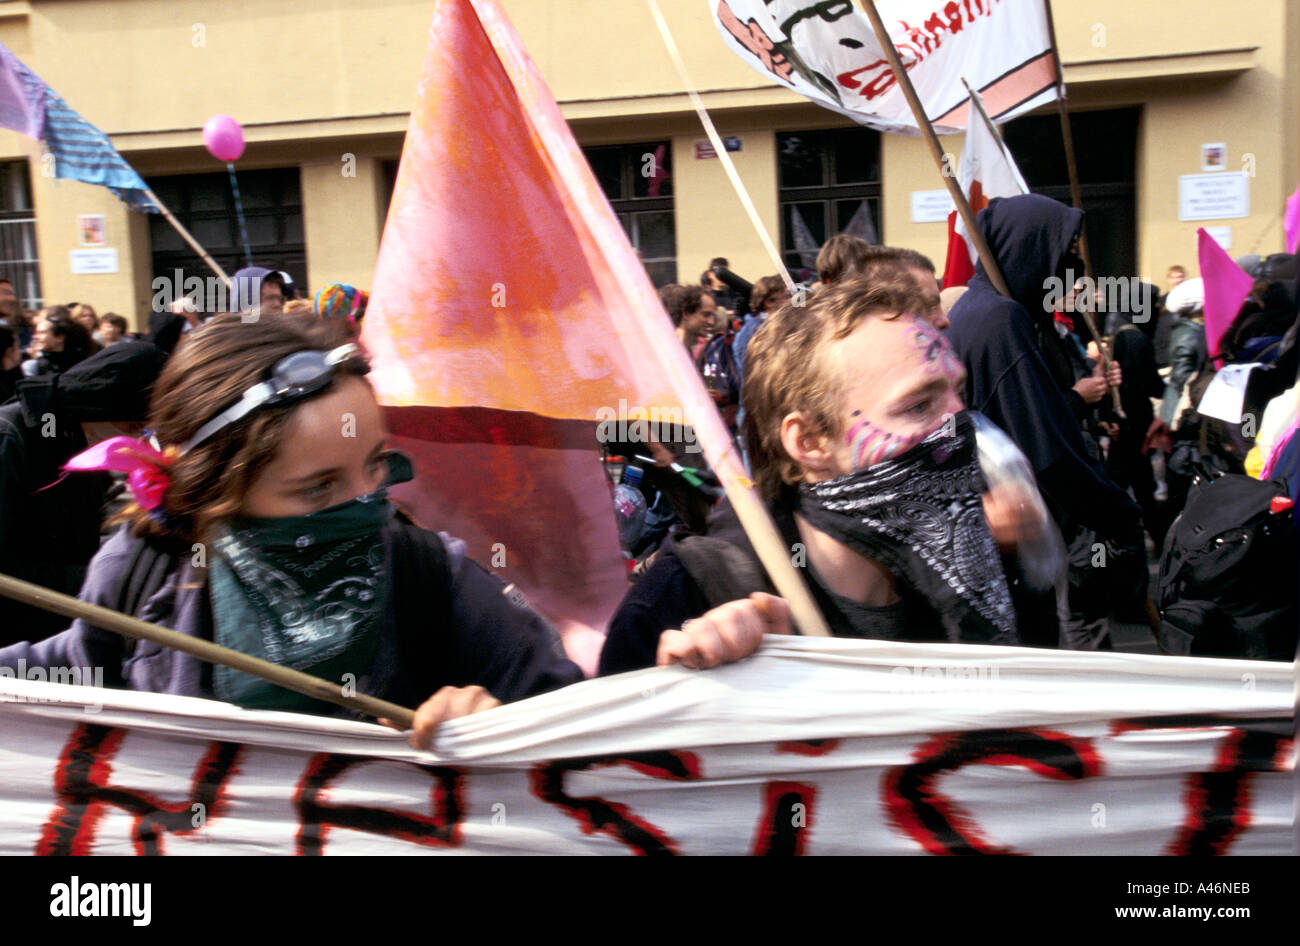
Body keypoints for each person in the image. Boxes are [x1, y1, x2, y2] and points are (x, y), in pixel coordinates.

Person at [0, 313, 581, 748]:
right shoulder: (141, 572)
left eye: (376, 464)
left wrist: (503, 725)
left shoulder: (431, 576)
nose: (365, 503)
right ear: (212, 493)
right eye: (318, 487)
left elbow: (580, 729)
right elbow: (72, 672)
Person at [599, 275, 1039, 675]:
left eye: (957, 394)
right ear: (809, 442)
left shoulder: (973, 562)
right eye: (919, 406)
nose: (962, 428)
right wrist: (705, 684)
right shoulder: (679, 600)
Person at [944, 194, 1142, 650]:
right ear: (1032, 248)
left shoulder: (1000, 314)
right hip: (1008, 526)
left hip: (1004, 526)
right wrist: (1117, 513)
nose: (1070, 262)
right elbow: (1043, 448)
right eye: (1064, 250)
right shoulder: (1000, 319)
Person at [0, 339, 168, 645]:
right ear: (100, 405)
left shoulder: (83, 441)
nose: (141, 442)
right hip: (17, 642)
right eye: (136, 427)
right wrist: (99, 576)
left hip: (63, 624)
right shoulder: (11, 437)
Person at [21, 306, 94, 377]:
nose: (35, 337)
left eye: (42, 333)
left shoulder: (81, 365)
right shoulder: (34, 366)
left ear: (60, 337)